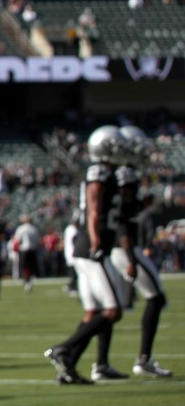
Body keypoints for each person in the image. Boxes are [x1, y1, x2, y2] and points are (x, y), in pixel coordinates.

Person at [44, 126, 126, 385]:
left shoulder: (107, 171)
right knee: (113, 310)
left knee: (93, 312)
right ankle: (64, 349)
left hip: (89, 246)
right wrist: (96, 239)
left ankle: (68, 366)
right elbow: (93, 208)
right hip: (92, 246)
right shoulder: (99, 171)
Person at [113, 126, 171, 378]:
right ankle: (143, 359)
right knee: (155, 298)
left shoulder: (120, 173)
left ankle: (134, 360)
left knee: (112, 308)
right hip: (125, 246)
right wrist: (128, 257)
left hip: (124, 246)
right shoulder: (124, 174)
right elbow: (122, 216)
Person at [11, 214, 41, 293]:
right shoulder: (34, 229)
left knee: (24, 266)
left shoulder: (20, 229)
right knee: (31, 266)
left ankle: (26, 280)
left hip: (23, 250)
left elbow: (17, 240)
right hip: (32, 249)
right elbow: (38, 241)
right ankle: (29, 280)